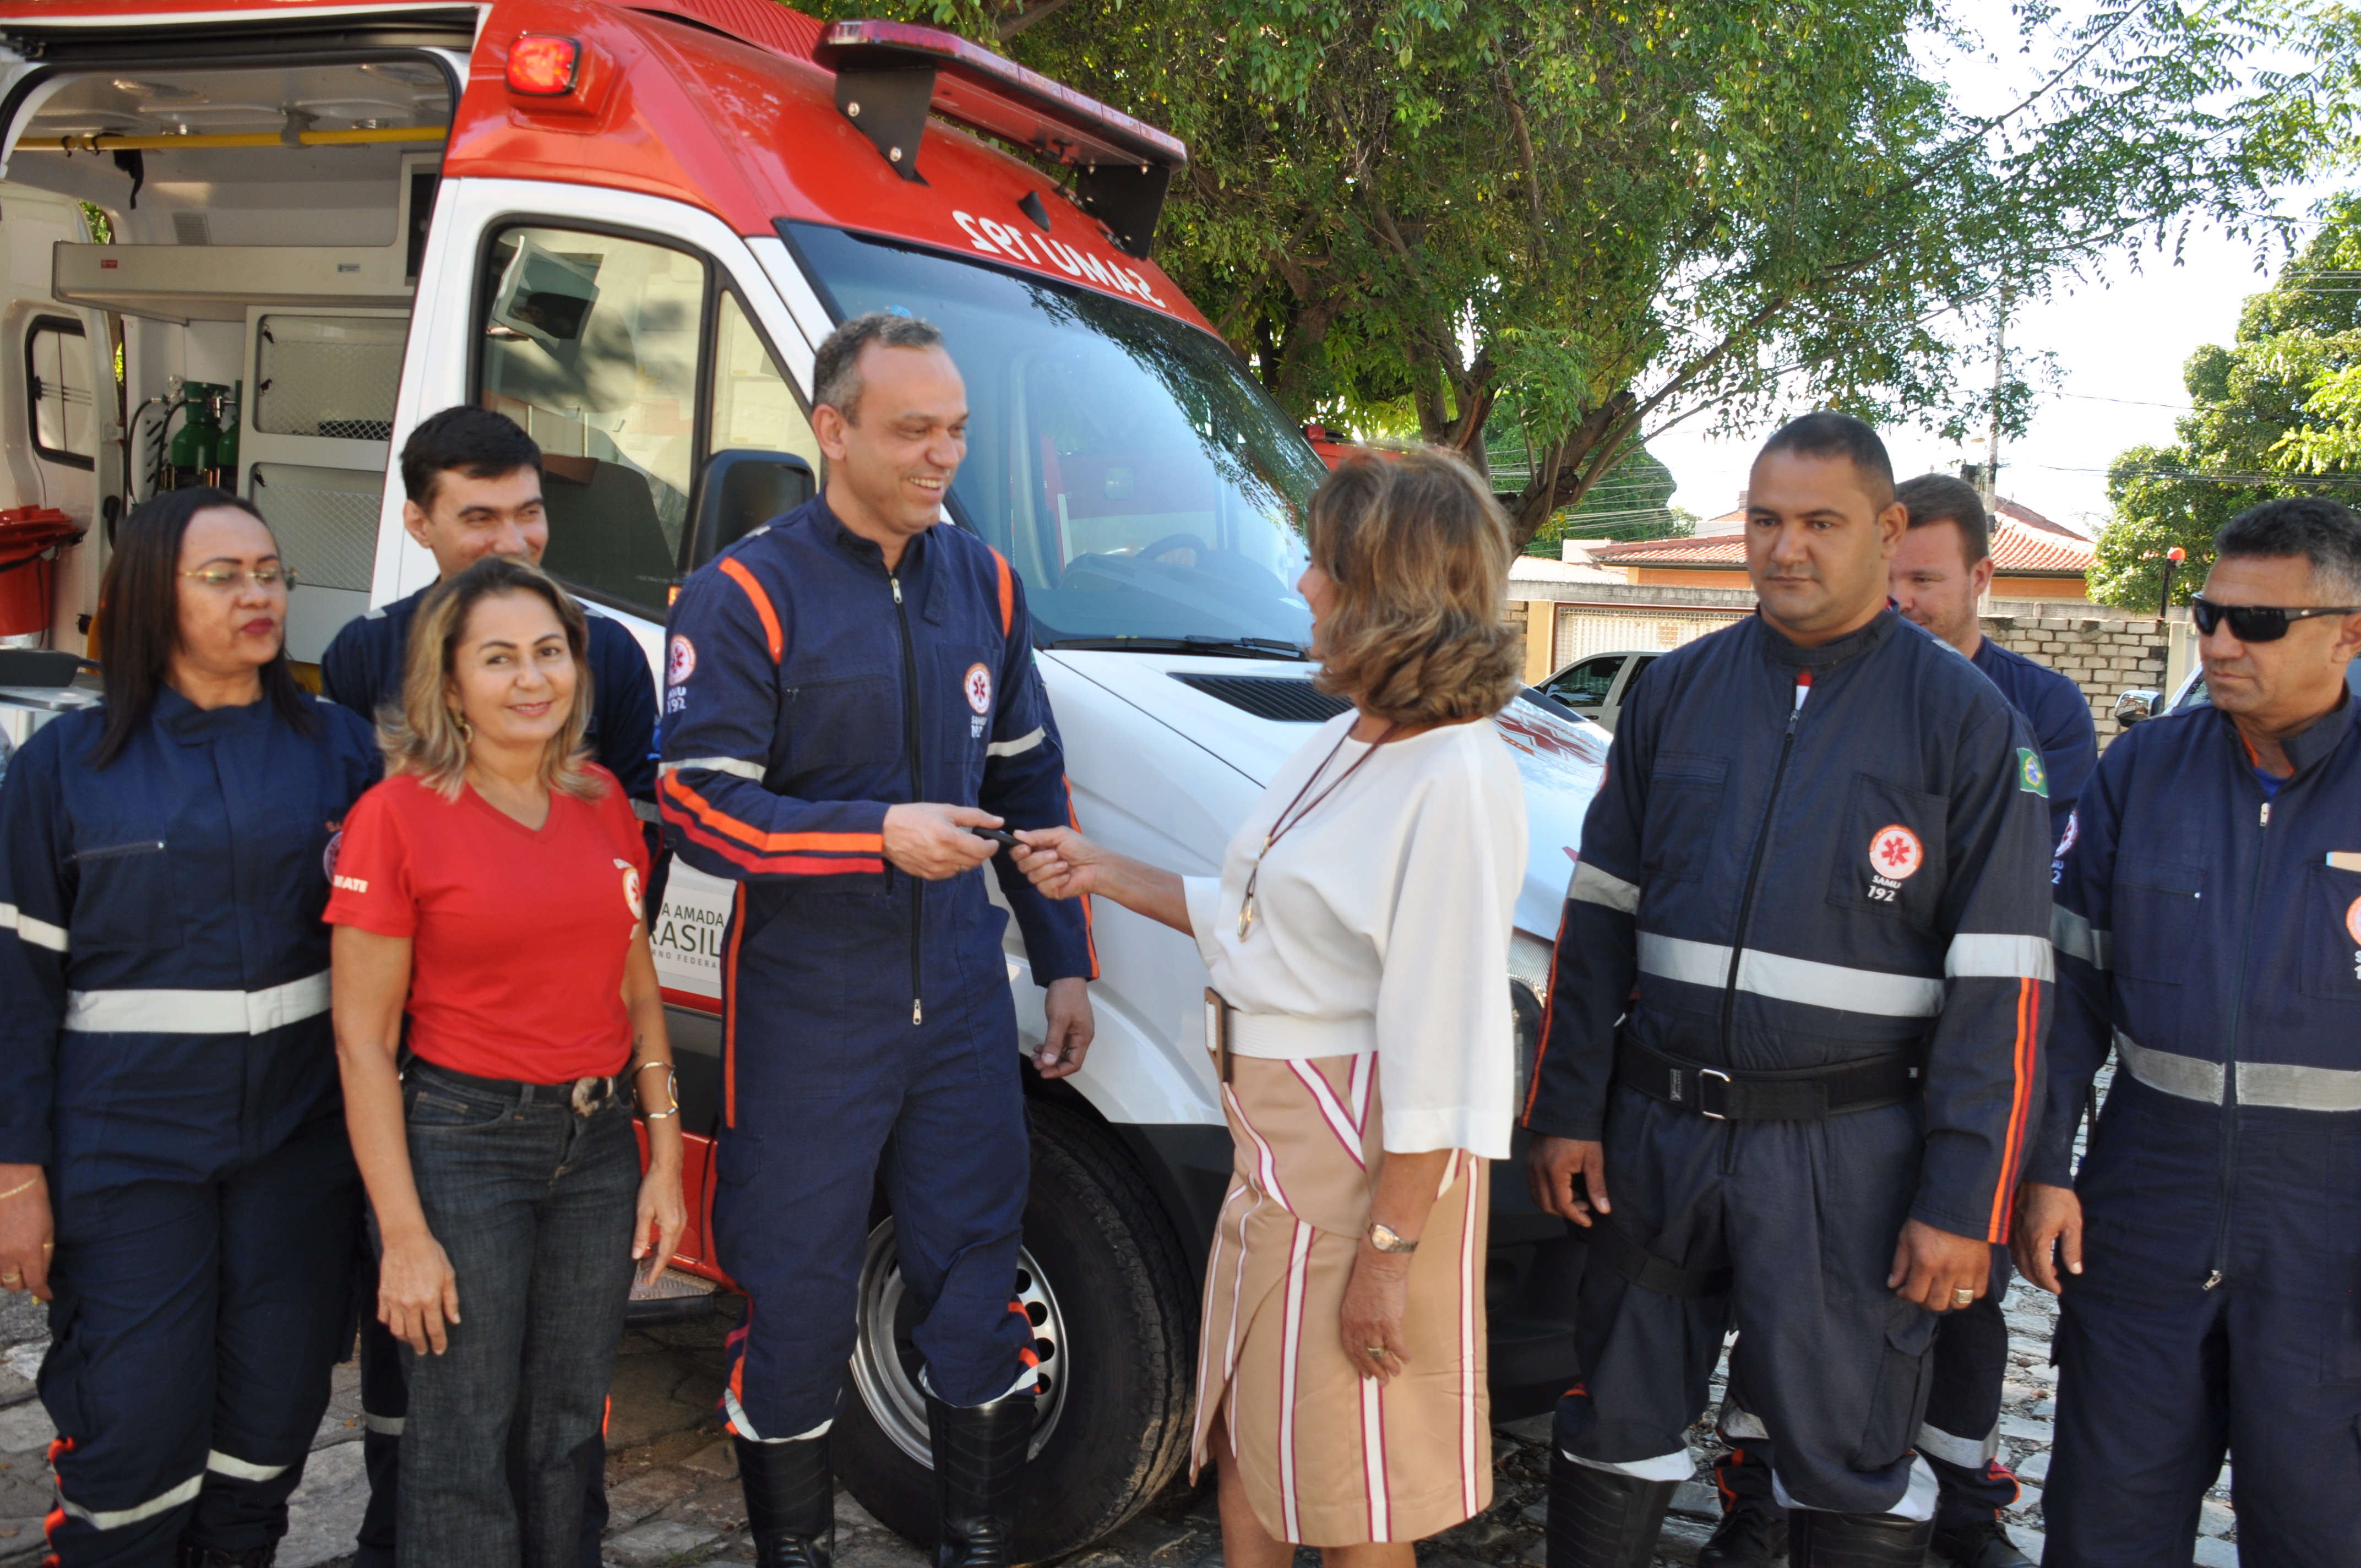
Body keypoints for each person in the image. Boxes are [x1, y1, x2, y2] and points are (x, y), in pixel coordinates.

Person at [1523, 412, 2057, 1568]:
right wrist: (1566, 1106)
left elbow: (2003, 993)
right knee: (1610, 1421)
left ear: (1887, 528)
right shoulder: (1674, 691)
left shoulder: (1967, 722)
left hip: (1844, 1155)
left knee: (1846, 1451)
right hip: (1656, 1133)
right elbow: (1599, 916)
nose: (1785, 548)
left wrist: (1963, 1196)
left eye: (1820, 522)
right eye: (1765, 520)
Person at [1010, 448, 1526, 1564]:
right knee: (1249, 1433)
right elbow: (1264, 915)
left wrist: (1388, 1255)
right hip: (1275, 1143)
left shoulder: (1454, 773)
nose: (1301, 584)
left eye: (1324, 564)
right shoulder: (1352, 734)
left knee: (1350, 1488)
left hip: (1358, 1157)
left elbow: (1444, 1038)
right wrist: (1100, 869)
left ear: (1387, 591)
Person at [656, 312, 1096, 1568]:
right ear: (830, 429)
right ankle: (792, 1550)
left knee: (975, 1279)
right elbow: (698, 803)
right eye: (913, 429)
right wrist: (874, 834)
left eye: (955, 428)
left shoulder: (988, 582)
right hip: (808, 1004)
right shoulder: (744, 592)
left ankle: (972, 1540)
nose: (942, 453)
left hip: (958, 998)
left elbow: (1031, 783)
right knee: (792, 1291)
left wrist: (1062, 958)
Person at [1702, 472, 2092, 1568]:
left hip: (1975, 1057)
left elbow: (2016, 902)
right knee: (1785, 1293)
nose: (1906, 597)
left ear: (1978, 577)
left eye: (1927, 578)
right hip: (1834, 1080)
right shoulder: (1815, 690)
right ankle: (1761, 1493)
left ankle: (1962, 1507)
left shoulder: (2029, 710)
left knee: (1958, 1296)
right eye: (1896, 574)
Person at [0, 489, 381, 1568]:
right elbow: (15, 982)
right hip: (129, 1161)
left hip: (298, 1160)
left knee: (265, 1433)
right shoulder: (65, 769)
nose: (257, 593)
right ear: (151, 598)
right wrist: (13, 1174)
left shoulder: (342, 752)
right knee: (134, 1434)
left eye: (269, 571)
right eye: (223, 576)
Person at [319, 405, 661, 1568]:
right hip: (461, 1134)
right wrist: (402, 1231)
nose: (534, 675)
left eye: (549, 651)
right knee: (460, 1432)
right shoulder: (393, 811)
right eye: (499, 658)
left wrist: (660, 1148)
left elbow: (633, 972)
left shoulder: (606, 795)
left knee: (567, 1429)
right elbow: (363, 1041)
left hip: (596, 1139)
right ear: (449, 684)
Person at [2014, 497, 2361, 1566]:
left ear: (2347, 629)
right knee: (2103, 1522)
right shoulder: (2140, 773)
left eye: (2255, 623)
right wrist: (2042, 1166)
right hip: (2140, 1217)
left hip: (2329, 1239)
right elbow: (2065, 993)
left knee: (2316, 1528)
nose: (2215, 640)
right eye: (2210, 613)